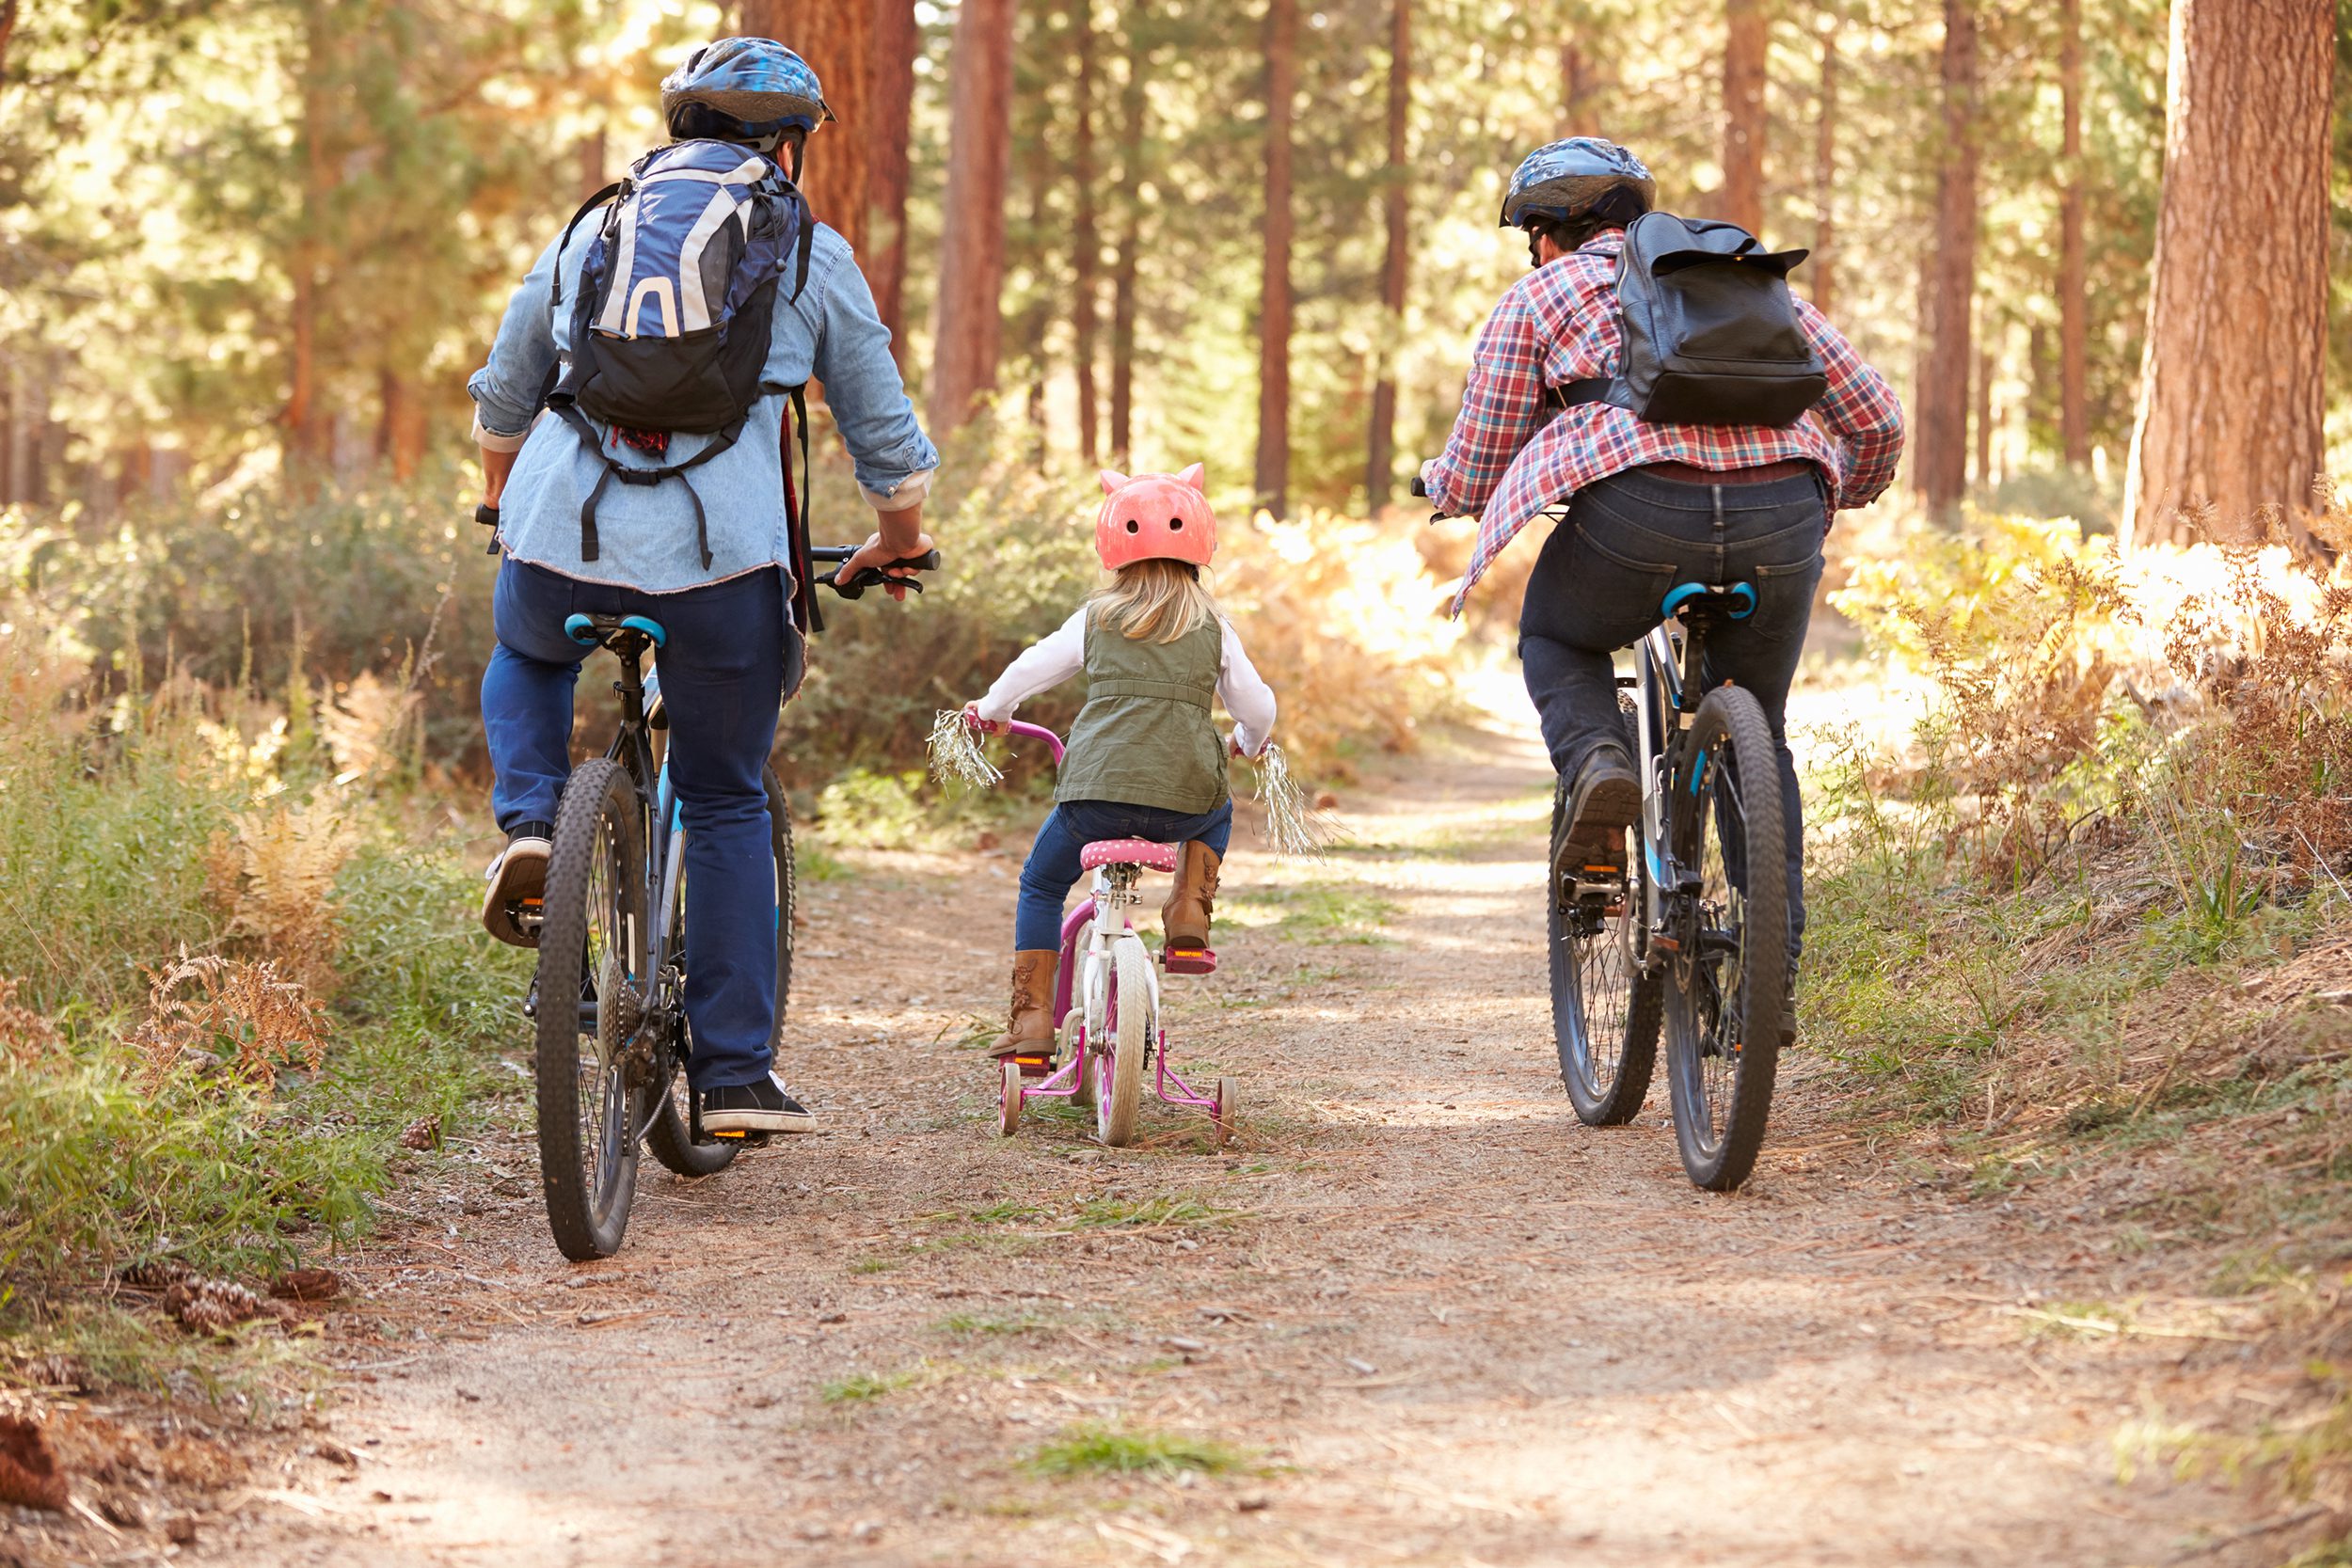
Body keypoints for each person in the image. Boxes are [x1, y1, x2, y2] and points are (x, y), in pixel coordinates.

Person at [467, 37, 939, 1135]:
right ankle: (732, 1075)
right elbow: (884, 433)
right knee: (723, 794)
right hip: (719, 562)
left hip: (557, 529)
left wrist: (502, 499)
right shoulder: (809, 250)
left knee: (531, 649)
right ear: (787, 147)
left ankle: (535, 824)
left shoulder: (596, 223)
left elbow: (507, 389)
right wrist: (896, 538)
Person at [1421, 136, 1903, 996]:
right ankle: (1771, 978)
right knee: (1763, 725)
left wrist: (1443, 488)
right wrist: (1837, 497)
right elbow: (1876, 417)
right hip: (1781, 516)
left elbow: (1481, 454)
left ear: (1545, 230)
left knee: (1555, 637)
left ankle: (1600, 762)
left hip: (1637, 517)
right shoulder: (1748, 278)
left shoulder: (1542, 292)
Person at [961, 466, 1278, 1065]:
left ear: (1113, 550)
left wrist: (994, 709)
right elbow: (1259, 706)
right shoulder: (1213, 628)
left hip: (1095, 803)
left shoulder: (1097, 619)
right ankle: (1188, 914)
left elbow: (1031, 667)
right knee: (1219, 812)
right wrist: (1249, 741)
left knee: (1042, 884)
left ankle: (1031, 1024)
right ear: (1200, 549)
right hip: (1187, 805)